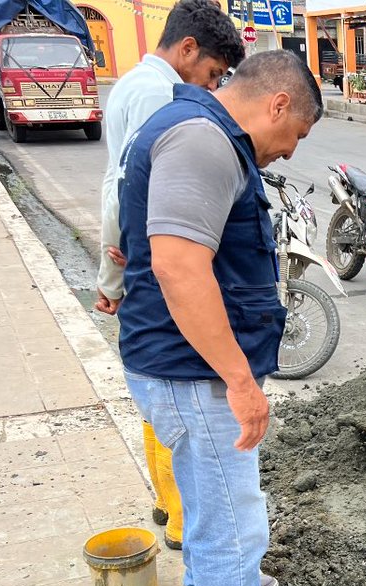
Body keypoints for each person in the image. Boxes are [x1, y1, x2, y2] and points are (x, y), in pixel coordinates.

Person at [116, 50, 325, 586]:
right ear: (278, 104)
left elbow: (134, 240)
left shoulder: (195, 133)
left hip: (180, 367)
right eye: (295, 137)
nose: (289, 153)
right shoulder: (204, 142)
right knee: (235, 518)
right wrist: (239, 380)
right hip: (194, 374)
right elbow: (180, 267)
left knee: (207, 499)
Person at [95, 0, 244, 554]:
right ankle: (186, 533)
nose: (209, 90)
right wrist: (114, 276)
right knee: (186, 414)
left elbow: (115, 188)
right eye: (209, 76)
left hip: (139, 279)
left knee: (161, 414)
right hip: (159, 287)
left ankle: (167, 505)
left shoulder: (130, 85)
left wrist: (112, 277)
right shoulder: (165, 99)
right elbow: (126, 195)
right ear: (187, 49)